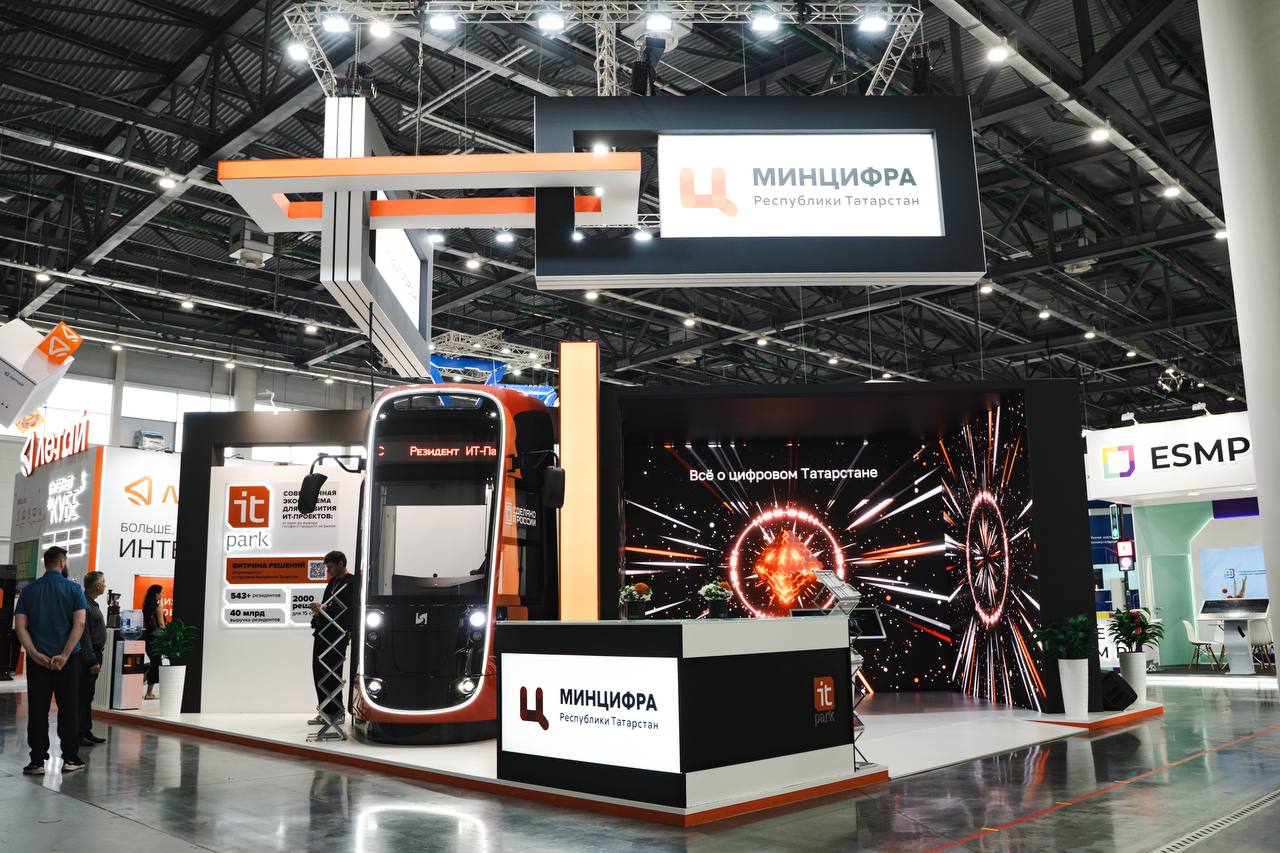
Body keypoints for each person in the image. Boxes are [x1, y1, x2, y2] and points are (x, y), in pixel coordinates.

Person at [14, 546, 87, 775]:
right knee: (69, 708)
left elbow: (20, 626)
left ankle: (37, 761)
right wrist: (64, 654)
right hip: (68, 660)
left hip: (38, 661)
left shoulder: (29, 591)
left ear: (45, 563)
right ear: (62, 563)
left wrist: (34, 653)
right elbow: (79, 624)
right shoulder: (74, 589)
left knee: (38, 710)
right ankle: (70, 758)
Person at [308, 551, 354, 726]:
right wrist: (319, 611)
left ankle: (337, 712)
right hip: (323, 633)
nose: (328, 571)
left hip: (338, 634)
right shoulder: (332, 582)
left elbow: (350, 609)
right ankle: (325, 711)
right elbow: (327, 605)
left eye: (330, 567)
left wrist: (325, 608)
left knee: (334, 671)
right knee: (319, 671)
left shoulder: (353, 582)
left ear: (341, 563)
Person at [79, 571, 107, 746]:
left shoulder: (91, 603)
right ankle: (79, 733)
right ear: (97, 585)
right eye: (103, 582)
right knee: (83, 695)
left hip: (95, 653)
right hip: (89, 656)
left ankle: (86, 730)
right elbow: (85, 635)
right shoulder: (86, 605)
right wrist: (91, 660)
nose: (105, 585)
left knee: (88, 695)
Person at [142, 584, 166, 700]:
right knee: (156, 665)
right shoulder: (158, 606)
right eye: (161, 592)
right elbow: (161, 624)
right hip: (156, 639)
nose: (162, 594)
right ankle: (149, 693)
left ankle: (137, 687)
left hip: (148, 638)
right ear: (157, 594)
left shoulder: (146, 606)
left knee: (153, 664)